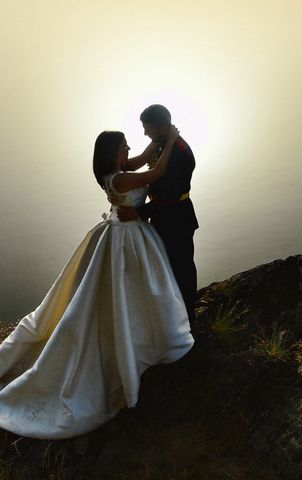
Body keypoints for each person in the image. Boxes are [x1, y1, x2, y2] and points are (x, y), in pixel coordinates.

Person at [0, 128, 194, 439]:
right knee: (128, 290)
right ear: (114, 152)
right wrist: (171, 141)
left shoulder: (116, 172)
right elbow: (156, 171)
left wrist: (157, 139)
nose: (129, 148)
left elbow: (144, 158)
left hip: (122, 231)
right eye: (123, 146)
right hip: (126, 239)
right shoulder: (120, 179)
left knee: (126, 291)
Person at [118, 105, 199, 325]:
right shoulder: (161, 143)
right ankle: (174, 313)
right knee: (166, 267)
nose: (145, 134)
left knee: (182, 267)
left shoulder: (179, 154)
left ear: (163, 128)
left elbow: (169, 196)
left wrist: (138, 212)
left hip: (178, 218)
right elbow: (137, 164)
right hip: (163, 218)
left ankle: (189, 318)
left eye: (149, 129)